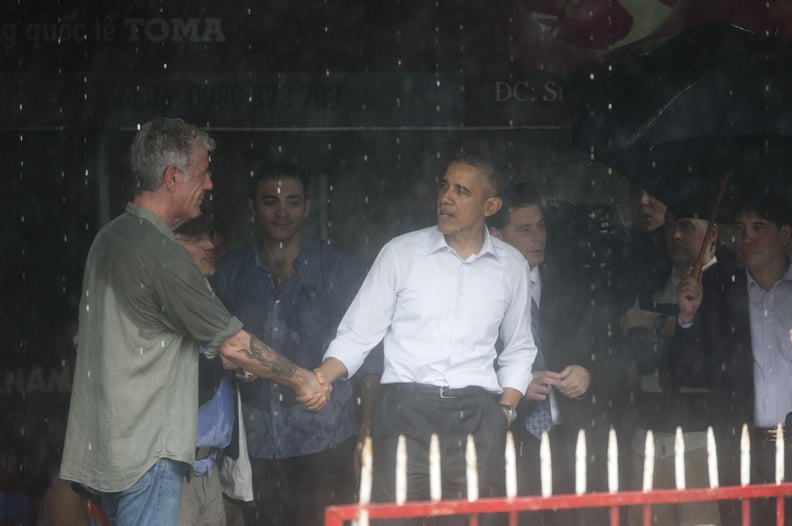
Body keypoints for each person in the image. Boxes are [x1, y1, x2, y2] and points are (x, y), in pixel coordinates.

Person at [59, 117, 330, 526]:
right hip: (150, 454)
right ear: (172, 177)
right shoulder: (161, 254)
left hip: (112, 451)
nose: (209, 185)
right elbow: (234, 343)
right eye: (203, 174)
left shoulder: (111, 239)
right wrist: (303, 380)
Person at [316, 152, 536, 526]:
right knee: (390, 522)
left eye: (462, 191)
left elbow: (519, 349)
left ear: (491, 205)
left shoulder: (511, 265)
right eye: (444, 186)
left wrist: (505, 412)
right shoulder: (401, 253)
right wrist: (319, 378)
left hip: (478, 416)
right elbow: (357, 334)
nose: (446, 197)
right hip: (405, 412)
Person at [212, 161, 382, 526]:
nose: (281, 212)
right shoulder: (231, 271)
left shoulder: (339, 268)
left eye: (292, 201)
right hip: (254, 446)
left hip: (326, 440)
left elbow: (369, 355)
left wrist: (365, 431)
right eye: (270, 201)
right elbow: (213, 349)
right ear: (252, 208)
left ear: (307, 208)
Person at [488, 182, 612, 526]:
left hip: (572, 437)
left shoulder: (571, 283)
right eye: (525, 229)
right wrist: (512, 386)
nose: (538, 236)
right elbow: (463, 366)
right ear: (497, 235)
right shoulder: (482, 293)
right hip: (513, 441)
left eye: (541, 226)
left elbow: (608, 346)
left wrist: (588, 372)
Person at [675, 193, 792, 526]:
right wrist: (687, 317)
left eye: (759, 227)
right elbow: (693, 373)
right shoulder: (717, 290)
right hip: (744, 444)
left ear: (785, 235)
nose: (748, 238)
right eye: (740, 229)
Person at [622, 206, 725, 526]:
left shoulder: (728, 281)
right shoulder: (650, 282)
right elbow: (629, 340)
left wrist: (655, 322)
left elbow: (717, 349)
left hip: (700, 439)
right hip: (647, 437)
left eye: (686, 226)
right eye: (669, 228)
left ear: (712, 234)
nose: (675, 235)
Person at [173, 215, 251, 526]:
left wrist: (237, 368)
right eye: (198, 239)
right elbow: (176, 383)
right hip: (174, 469)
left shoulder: (211, 294)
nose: (210, 247)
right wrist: (224, 362)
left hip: (208, 466)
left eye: (215, 241)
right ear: (169, 243)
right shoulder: (168, 297)